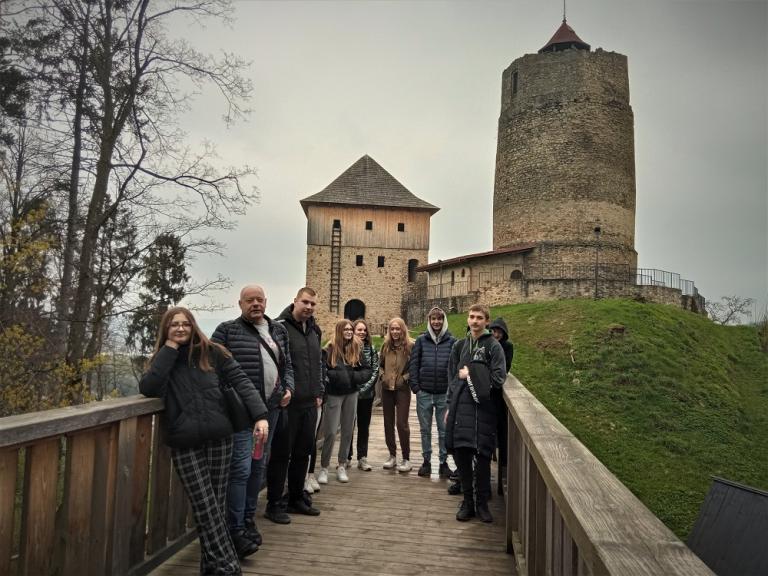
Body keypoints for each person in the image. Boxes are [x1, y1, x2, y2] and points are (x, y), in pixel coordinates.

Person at [140, 307, 269, 574]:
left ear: (193, 326)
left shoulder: (214, 353)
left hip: (219, 438)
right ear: (166, 329)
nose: (180, 328)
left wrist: (260, 416)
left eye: (185, 324)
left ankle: (211, 568)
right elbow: (149, 387)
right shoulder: (163, 359)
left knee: (213, 506)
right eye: (174, 325)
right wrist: (170, 348)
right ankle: (229, 567)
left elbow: (242, 382)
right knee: (205, 505)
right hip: (184, 443)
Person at [211, 285, 294, 547]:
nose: (255, 304)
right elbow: (211, 367)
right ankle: (235, 526)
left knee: (259, 465)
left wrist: (288, 387)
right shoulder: (227, 330)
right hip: (241, 413)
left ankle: (248, 519)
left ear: (266, 302)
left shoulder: (278, 329)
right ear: (240, 304)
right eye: (250, 300)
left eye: (259, 299)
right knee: (241, 469)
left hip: (270, 411)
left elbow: (286, 363)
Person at [446, 304, 507, 523]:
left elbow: (498, 377)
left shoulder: (493, 347)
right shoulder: (460, 345)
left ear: (487, 321)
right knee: (462, 451)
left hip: (484, 406)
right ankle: (468, 502)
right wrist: (449, 405)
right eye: (471, 317)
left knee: (482, 455)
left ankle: (482, 503)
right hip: (461, 405)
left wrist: (471, 375)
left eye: (479, 317)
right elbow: (452, 377)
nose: (474, 321)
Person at [273, 287, 324, 514]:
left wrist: (320, 389)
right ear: (295, 301)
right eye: (305, 302)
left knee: (304, 452)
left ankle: (295, 497)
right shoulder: (279, 328)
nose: (309, 307)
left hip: (310, 402)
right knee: (282, 454)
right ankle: (274, 503)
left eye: (313, 304)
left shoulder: (315, 330)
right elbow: (275, 364)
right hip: (288, 404)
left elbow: (319, 363)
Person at [318, 319, 372, 483]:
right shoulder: (329, 349)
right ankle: (324, 467)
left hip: (351, 393)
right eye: (346, 329)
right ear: (339, 331)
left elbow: (367, 369)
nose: (349, 332)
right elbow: (324, 370)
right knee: (331, 432)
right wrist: (335, 377)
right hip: (334, 394)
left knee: (348, 430)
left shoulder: (356, 347)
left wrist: (354, 377)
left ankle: (341, 465)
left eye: (351, 329)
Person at [409, 306, 456, 479]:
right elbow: (414, 364)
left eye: (439, 319)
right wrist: (416, 387)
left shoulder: (452, 341)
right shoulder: (421, 340)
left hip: (444, 394)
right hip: (425, 393)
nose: (436, 322)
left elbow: (454, 367)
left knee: (444, 430)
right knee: (425, 429)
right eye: (433, 319)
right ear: (429, 321)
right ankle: (426, 461)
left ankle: (443, 463)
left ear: (444, 320)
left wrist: (452, 390)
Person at [379, 317, 414, 473]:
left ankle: (406, 458)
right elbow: (379, 366)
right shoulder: (385, 346)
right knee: (388, 423)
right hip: (386, 389)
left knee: (401, 423)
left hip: (402, 389)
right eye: (392, 329)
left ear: (403, 330)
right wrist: (382, 377)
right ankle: (392, 455)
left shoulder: (410, 346)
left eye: (397, 329)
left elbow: (415, 366)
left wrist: (404, 379)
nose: (395, 332)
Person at [489, 317, 513, 495]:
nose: (496, 334)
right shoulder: (487, 344)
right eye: (494, 331)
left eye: (499, 331)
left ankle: (503, 468)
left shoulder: (507, 347)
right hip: (486, 392)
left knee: (501, 430)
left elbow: (505, 369)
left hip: (497, 393)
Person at [351, 318, 379, 471]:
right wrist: (354, 389)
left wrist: (364, 389)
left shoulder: (372, 349)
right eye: (359, 330)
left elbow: (375, 371)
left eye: (364, 330)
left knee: (363, 427)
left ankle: (362, 457)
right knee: (349, 426)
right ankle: (347, 457)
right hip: (350, 394)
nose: (362, 332)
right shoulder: (348, 347)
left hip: (366, 396)